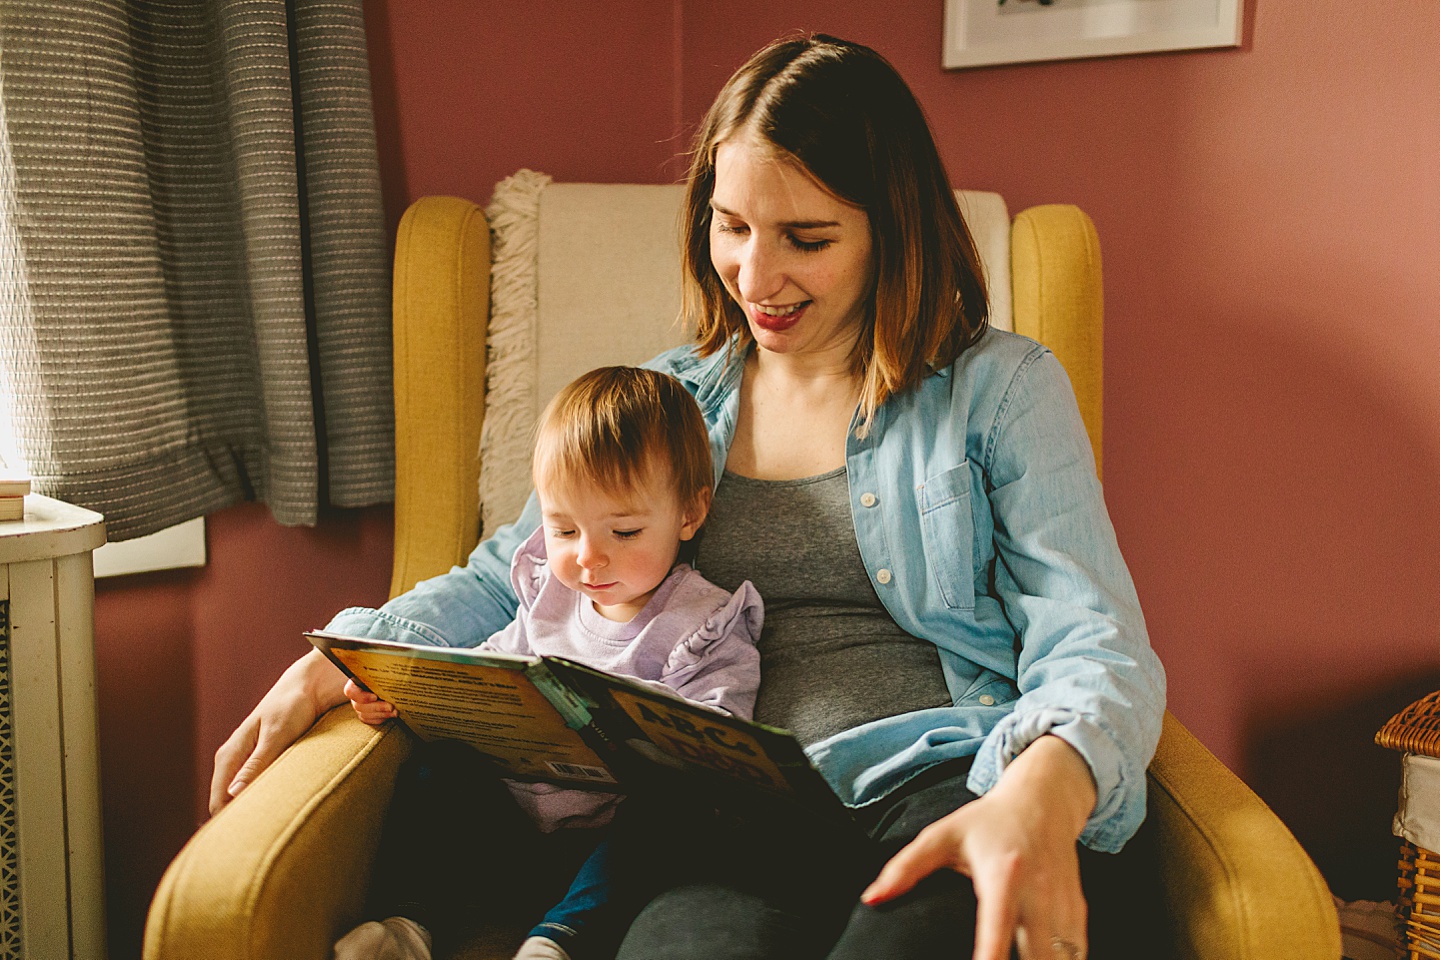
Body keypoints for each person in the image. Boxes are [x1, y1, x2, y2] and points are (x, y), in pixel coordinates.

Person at [212, 33, 1167, 960]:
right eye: (733, 225)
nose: (757, 275)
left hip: (946, 778)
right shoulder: (674, 400)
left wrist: (1042, 789)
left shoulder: (1000, 389)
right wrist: (351, 654)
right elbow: (513, 576)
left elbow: (1092, 633)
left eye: (808, 237)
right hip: (729, 813)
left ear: (893, 226)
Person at [335, 365, 762, 960]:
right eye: (563, 529)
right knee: (439, 767)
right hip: (511, 838)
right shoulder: (549, 594)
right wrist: (404, 693)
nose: (588, 557)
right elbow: (485, 667)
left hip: (614, 858)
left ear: (688, 515)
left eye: (625, 530)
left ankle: (558, 943)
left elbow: (725, 740)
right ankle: (411, 924)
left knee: (676, 812)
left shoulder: (705, 620)